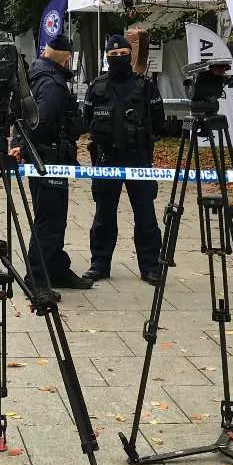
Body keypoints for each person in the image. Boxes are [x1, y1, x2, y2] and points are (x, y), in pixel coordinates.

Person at [10, 35, 93, 293]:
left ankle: (55, 267)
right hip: (48, 158)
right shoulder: (52, 84)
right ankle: (37, 276)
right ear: (66, 58)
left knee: (54, 217)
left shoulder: (35, 76)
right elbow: (40, 121)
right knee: (50, 219)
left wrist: (19, 145)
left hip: (45, 157)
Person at [82, 31, 166, 284]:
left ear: (130, 54)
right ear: (107, 56)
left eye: (123, 54)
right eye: (113, 54)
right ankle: (99, 264)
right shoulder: (96, 88)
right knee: (103, 215)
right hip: (107, 158)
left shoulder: (145, 86)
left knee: (145, 215)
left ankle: (150, 266)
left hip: (138, 158)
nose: (119, 57)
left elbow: (159, 121)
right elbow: (87, 121)